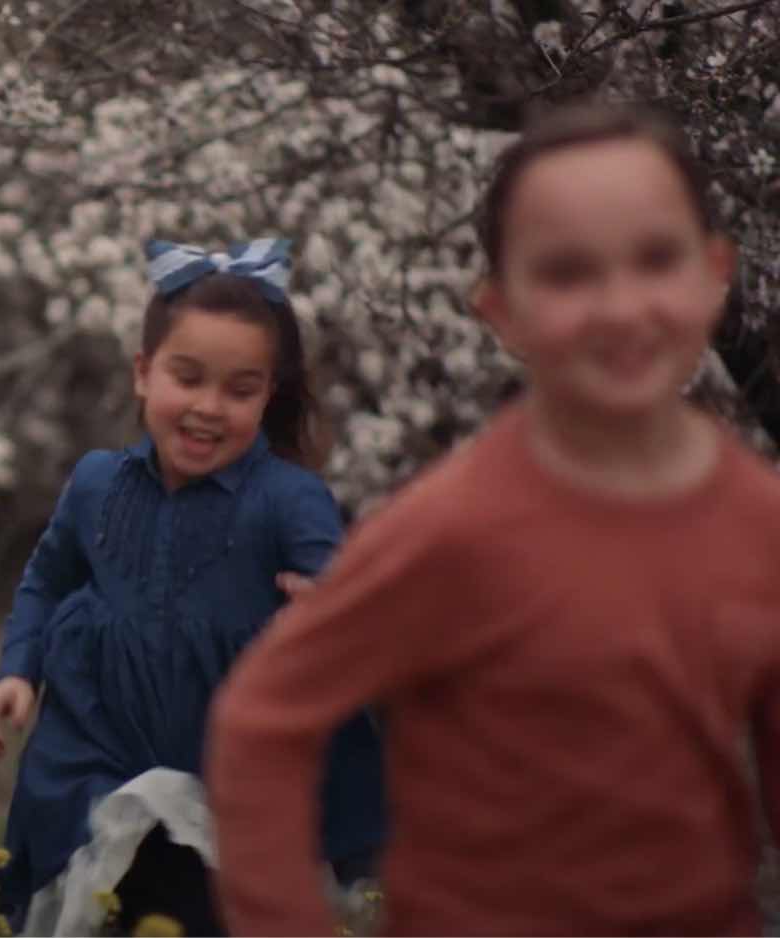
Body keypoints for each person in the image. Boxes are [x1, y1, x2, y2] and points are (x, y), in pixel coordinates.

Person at [207, 101, 780, 935]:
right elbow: (264, 723)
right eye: (568, 273)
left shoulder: (761, 522)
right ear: (500, 312)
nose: (620, 307)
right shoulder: (452, 530)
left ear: (714, 274)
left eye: (657, 259)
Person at [0, 237, 388, 935]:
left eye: (240, 389)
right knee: (94, 907)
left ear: (269, 395)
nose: (208, 407)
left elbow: (349, 615)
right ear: (143, 373)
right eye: (187, 378)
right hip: (90, 755)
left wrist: (330, 620)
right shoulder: (98, 481)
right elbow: (46, 580)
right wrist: (18, 671)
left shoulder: (290, 499)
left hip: (218, 776)